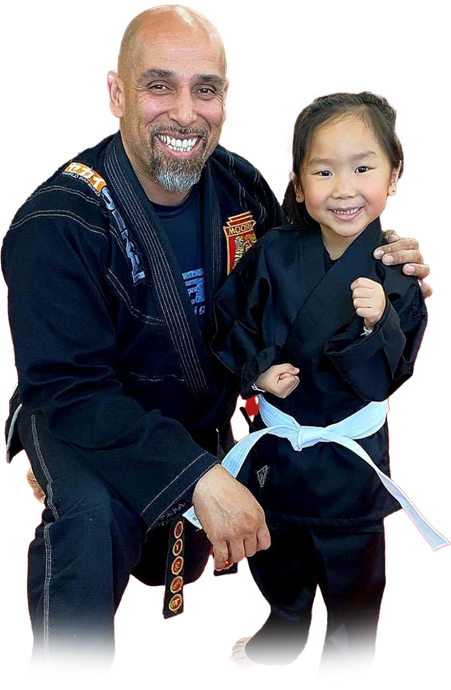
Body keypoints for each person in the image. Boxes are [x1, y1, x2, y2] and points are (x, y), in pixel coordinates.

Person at [2, 7, 430, 672]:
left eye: (204, 88)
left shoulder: (235, 181)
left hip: (199, 406)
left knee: (270, 519)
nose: (183, 112)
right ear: (115, 92)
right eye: (158, 86)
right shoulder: (57, 223)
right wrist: (198, 475)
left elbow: (305, 249)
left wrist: (382, 256)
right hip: (87, 407)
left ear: (224, 101)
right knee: (91, 514)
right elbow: (68, 387)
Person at [210, 91, 448, 669]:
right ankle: (287, 624)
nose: (343, 188)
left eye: (363, 168)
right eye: (323, 170)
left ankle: (351, 655)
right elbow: (228, 321)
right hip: (280, 452)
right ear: (296, 182)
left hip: (349, 457)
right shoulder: (270, 255)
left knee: (354, 572)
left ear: (394, 175)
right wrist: (259, 369)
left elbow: (389, 377)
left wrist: (378, 326)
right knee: (275, 553)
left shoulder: (396, 270)